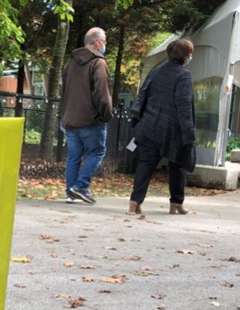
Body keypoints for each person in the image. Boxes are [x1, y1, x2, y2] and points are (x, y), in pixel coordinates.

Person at [127, 38, 197, 215]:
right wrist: (188, 132)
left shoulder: (156, 72)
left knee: (146, 163)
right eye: (190, 54)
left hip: (149, 126)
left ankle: (134, 203)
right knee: (178, 164)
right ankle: (176, 203)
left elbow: (143, 96)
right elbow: (184, 105)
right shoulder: (184, 75)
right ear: (186, 56)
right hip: (172, 130)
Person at [60, 27, 114, 204]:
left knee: (74, 156)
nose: (105, 45)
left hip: (70, 118)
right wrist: (106, 114)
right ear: (98, 42)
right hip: (91, 119)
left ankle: (70, 192)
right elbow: (102, 93)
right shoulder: (98, 63)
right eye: (104, 41)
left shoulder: (70, 63)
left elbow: (65, 91)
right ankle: (81, 187)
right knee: (97, 151)